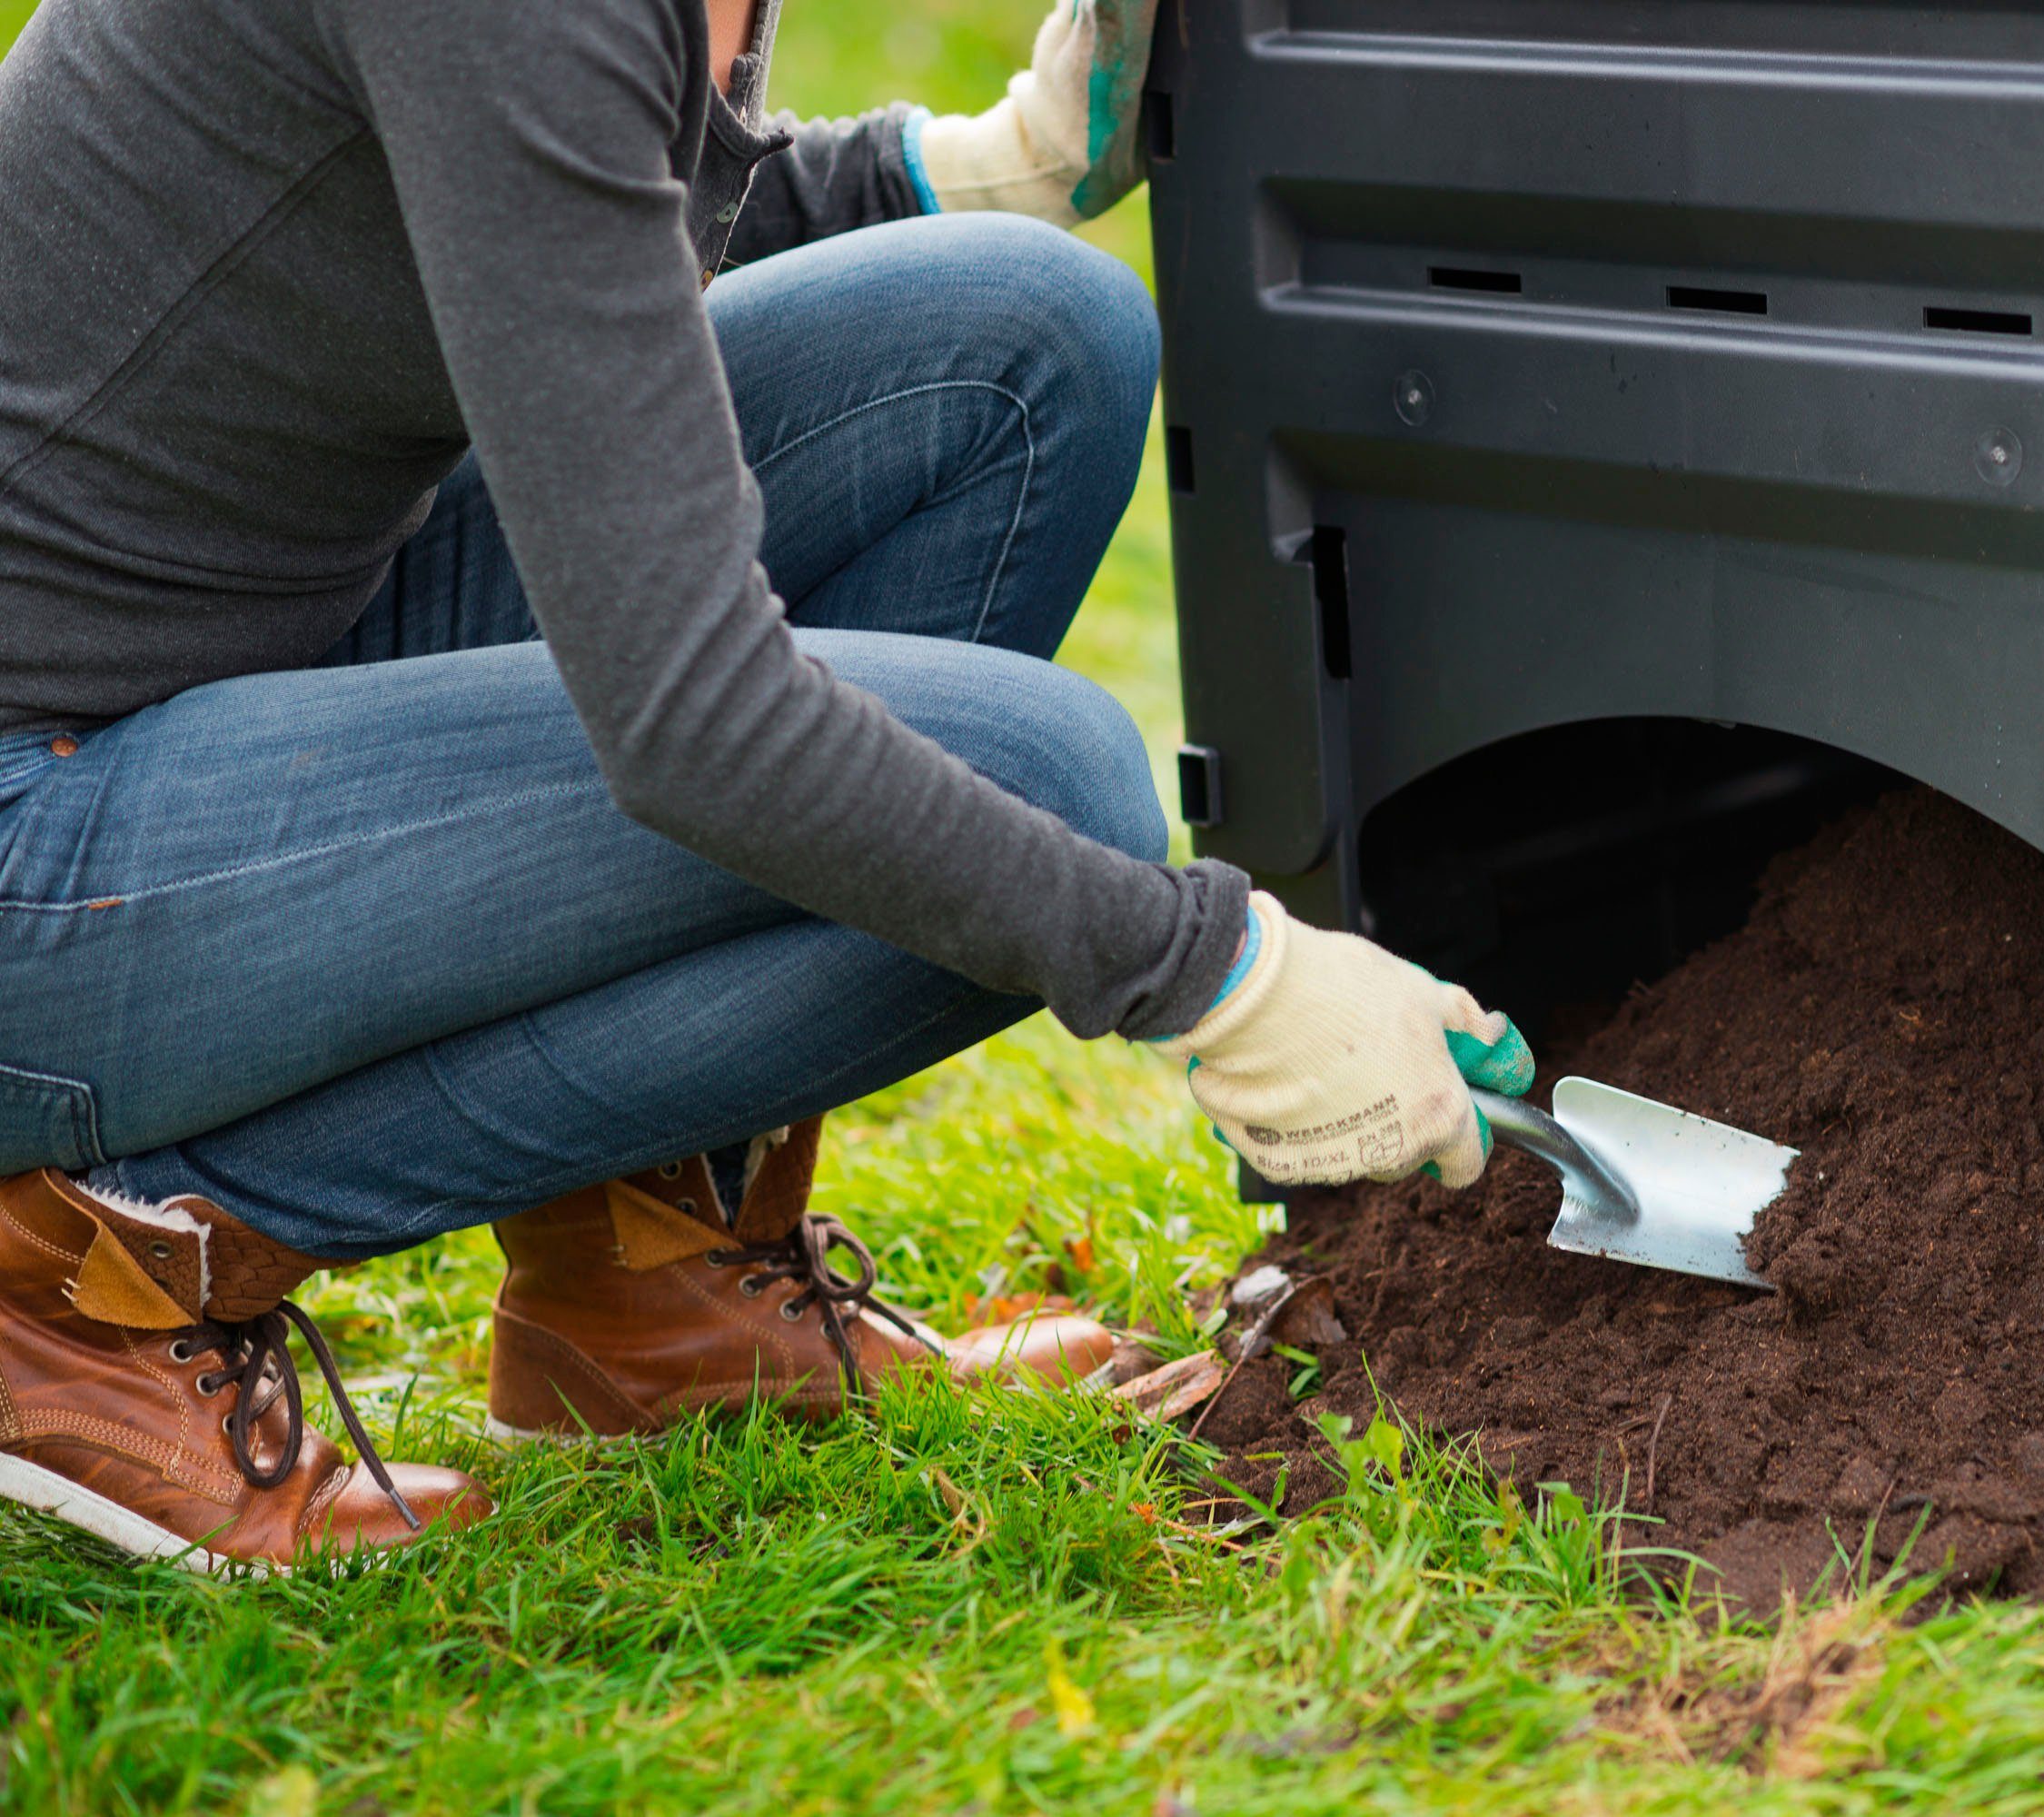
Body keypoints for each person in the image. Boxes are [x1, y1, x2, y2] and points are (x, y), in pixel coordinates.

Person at [0, 0, 1533, 1571]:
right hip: (32, 820)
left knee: (1030, 341)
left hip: (228, 656)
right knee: (1053, 789)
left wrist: (977, 166)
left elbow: (555, 227)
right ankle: (82, 1283)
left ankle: (652, 1266)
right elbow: (693, 721)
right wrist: (1207, 971)